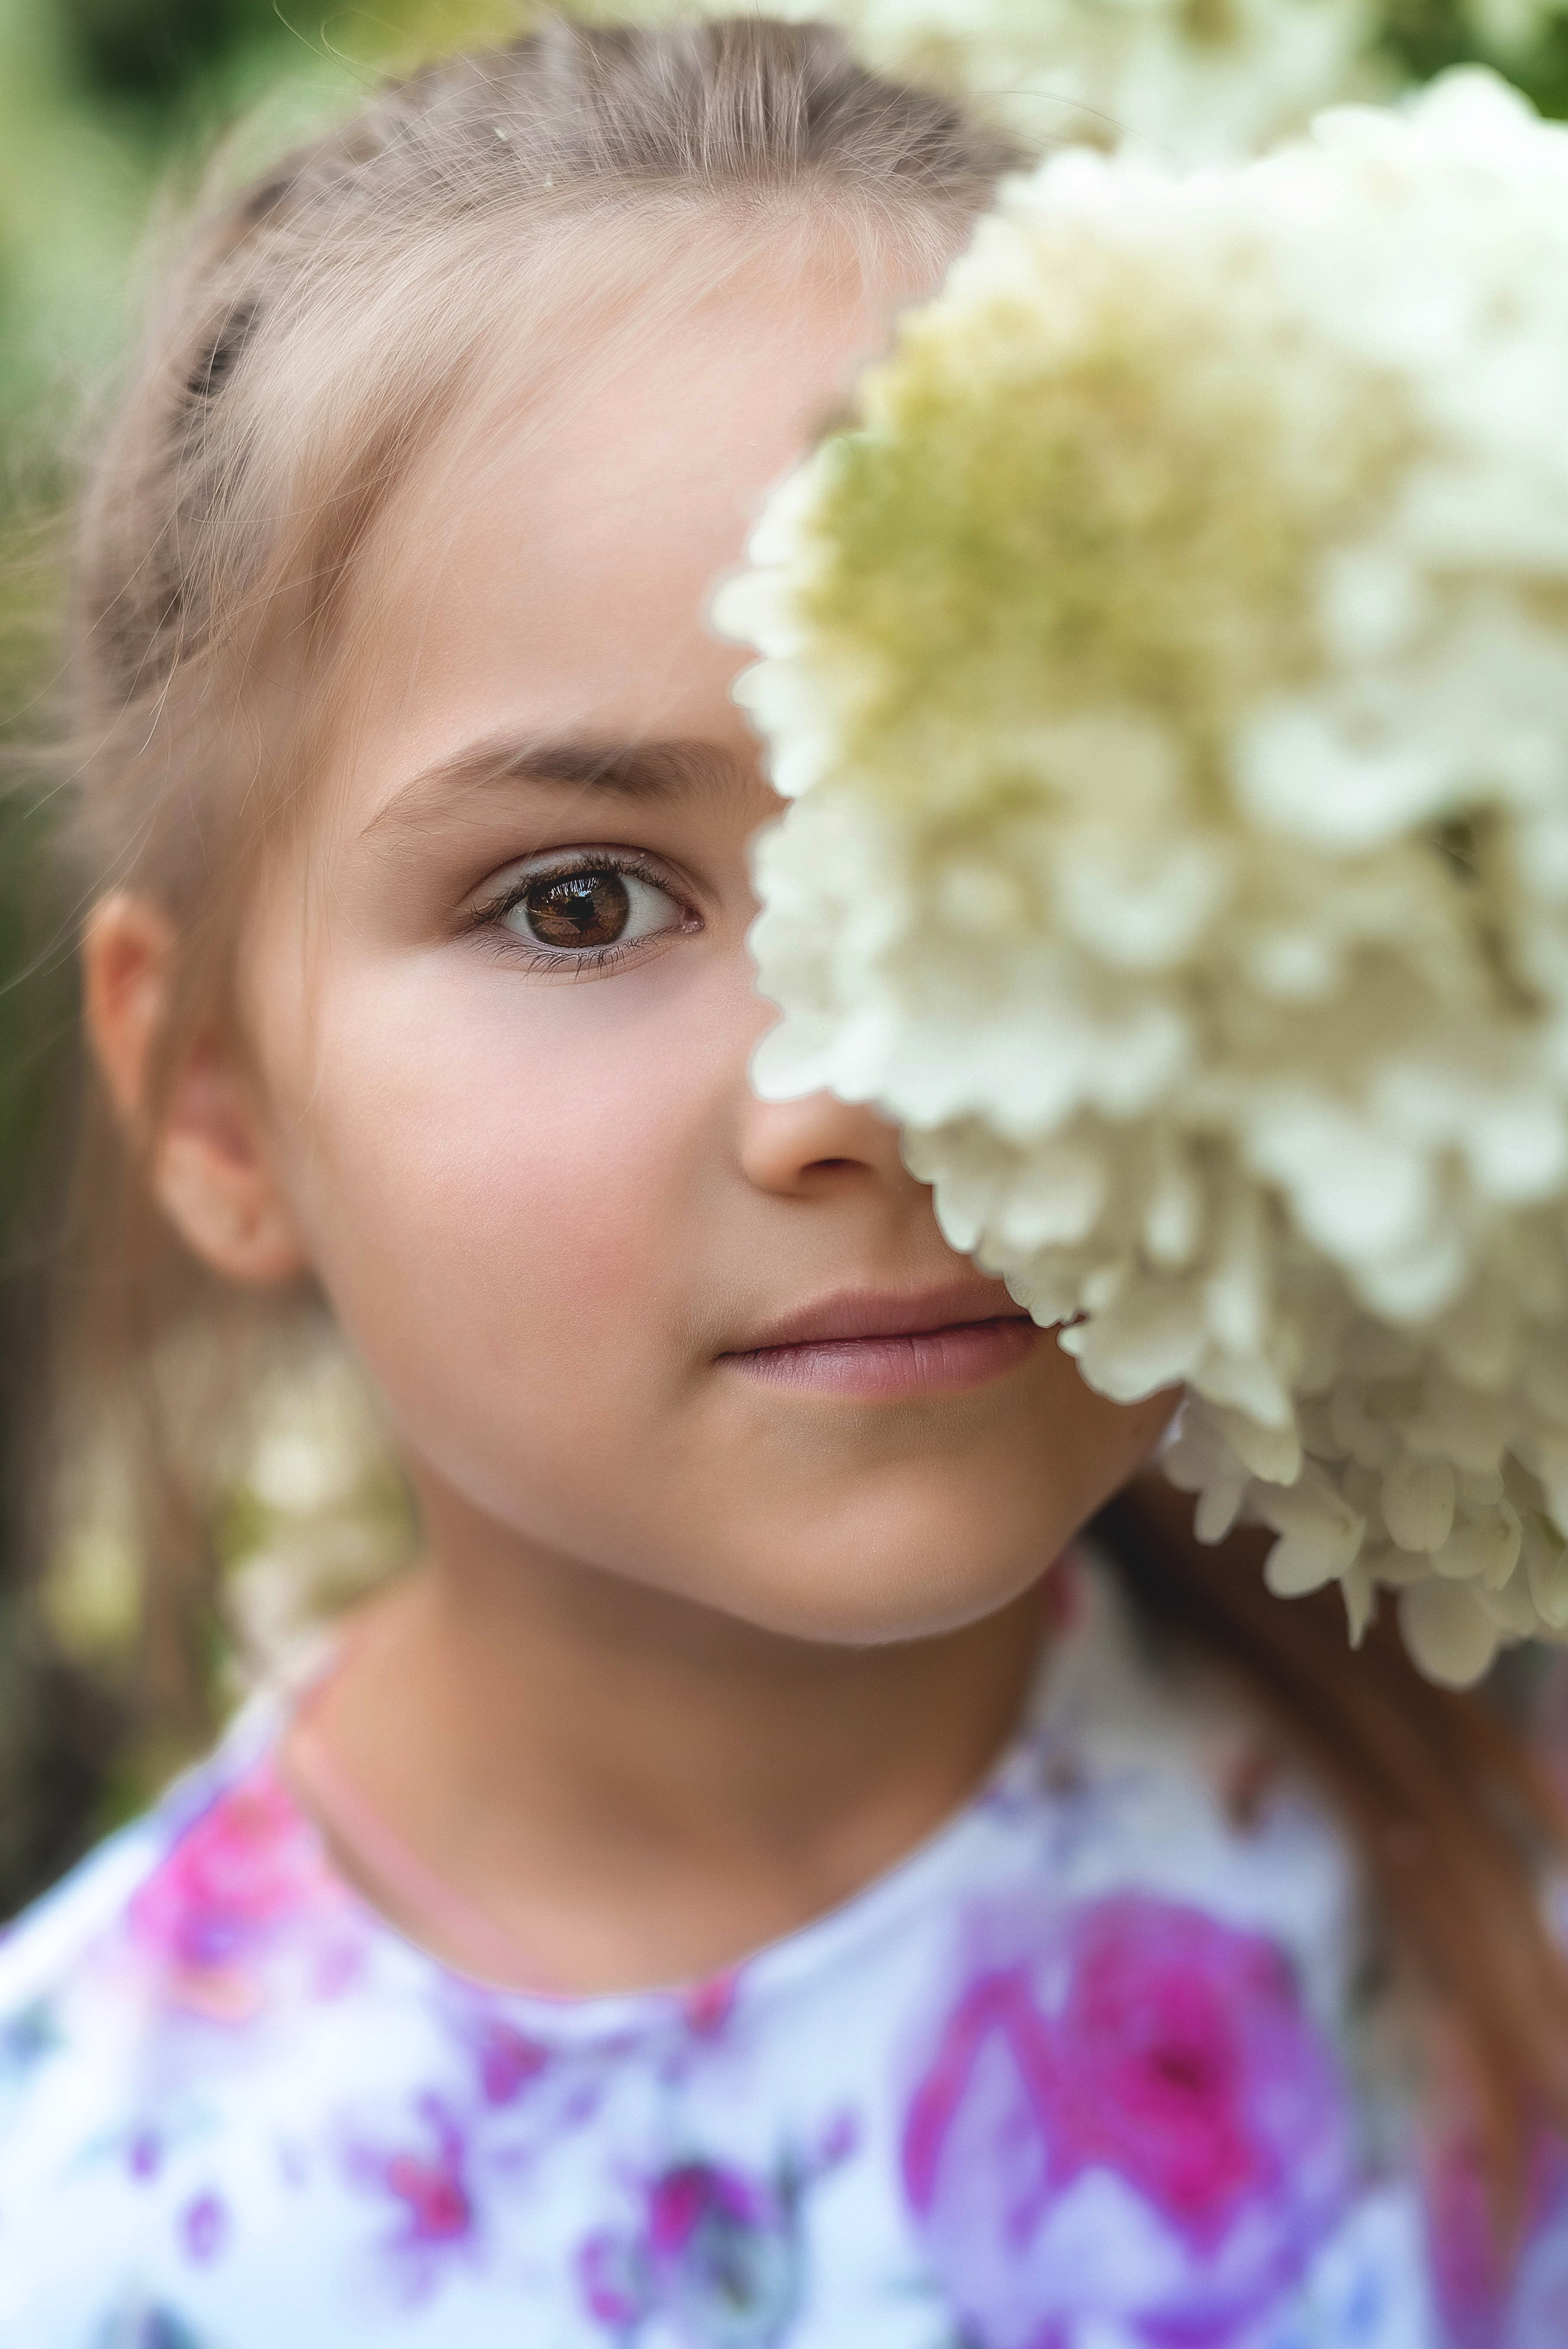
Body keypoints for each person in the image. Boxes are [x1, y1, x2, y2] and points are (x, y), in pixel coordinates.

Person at [2, 18, 1568, 2343]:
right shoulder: (86, 2215)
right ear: (218, 1099)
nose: (859, 1083)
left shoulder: (1487, 1891)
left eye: (985, 839)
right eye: (579, 902)